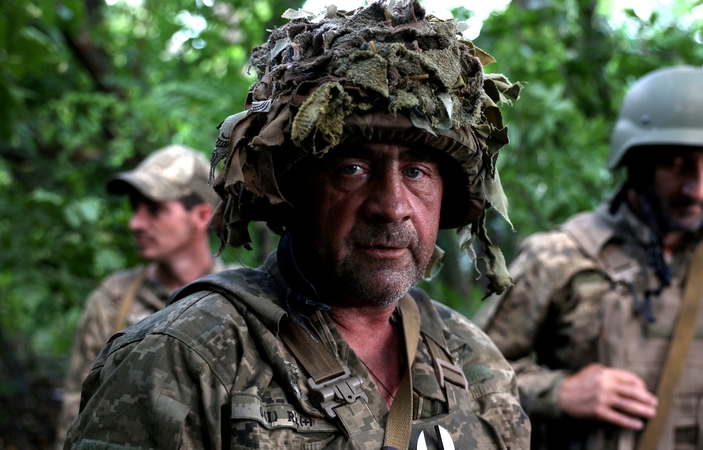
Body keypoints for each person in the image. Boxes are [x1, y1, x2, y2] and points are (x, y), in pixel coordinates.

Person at [64, 2, 530, 449]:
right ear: (296, 190)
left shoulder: (473, 360)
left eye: (416, 172)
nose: (391, 207)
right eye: (352, 169)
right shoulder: (185, 359)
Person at [476, 66, 703, 449]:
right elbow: (473, 369)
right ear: (639, 163)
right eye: (677, 164)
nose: (698, 188)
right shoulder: (561, 256)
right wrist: (559, 392)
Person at [55, 145, 227, 449]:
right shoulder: (112, 300)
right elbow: (76, 415)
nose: (135, 223)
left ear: (202, 215)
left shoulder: (239, 302)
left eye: (155, 210)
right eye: (135, 208)